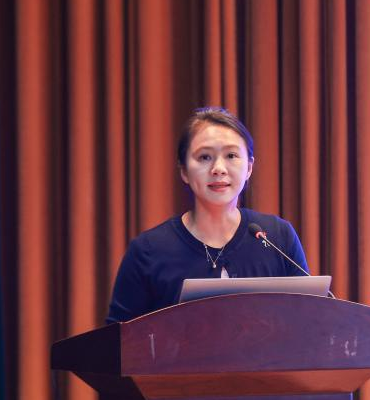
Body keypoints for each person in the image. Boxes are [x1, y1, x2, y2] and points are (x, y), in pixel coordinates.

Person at [106, 106, 310, 323]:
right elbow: (118, 337)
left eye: (231, 155)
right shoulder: (148, 251)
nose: (218, 168)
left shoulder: (278, 237)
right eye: (204, 157)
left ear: (249, 167)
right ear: (184, 171)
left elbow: (311, 321)